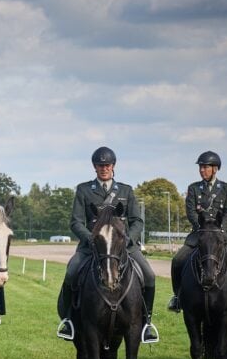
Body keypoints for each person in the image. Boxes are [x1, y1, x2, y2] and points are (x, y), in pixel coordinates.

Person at [55, 147, 159, 344]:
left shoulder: (126, 191)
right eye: (100, 165)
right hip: (92, 246)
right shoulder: (84, 190)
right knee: (72, 272)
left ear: (113, 166)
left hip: (123, 246)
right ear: (94, 167)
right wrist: (90, 238)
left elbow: (137, 221)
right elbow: (76, 222)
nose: (104, 168)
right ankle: (68, 320)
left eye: (107, 165)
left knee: (149, 276)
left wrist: (129, 239)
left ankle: (146, 323)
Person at [168, 151, 227, 315]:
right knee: (177, 260)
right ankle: (177, 297)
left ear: (215, 169)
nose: (202, 170)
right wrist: (202, 227)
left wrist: (220, 229)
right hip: (200, 233)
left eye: (205, 167)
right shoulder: (193, 188)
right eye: (201, 167)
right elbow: (191, 212)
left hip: (223, 233)